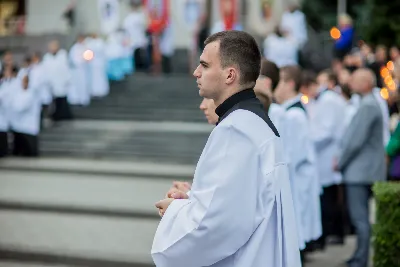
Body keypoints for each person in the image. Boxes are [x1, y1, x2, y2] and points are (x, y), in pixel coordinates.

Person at [151, 30, 301, 267]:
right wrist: (192, 199)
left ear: (230, 74)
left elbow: (216, 225)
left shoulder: (237, 129)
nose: (195, 72)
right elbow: (239, 203)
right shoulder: (251, 121)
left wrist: (175, 211)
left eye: (204, 65)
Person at [335, 68, 386, 267]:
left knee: (360, 219)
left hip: (360, 171)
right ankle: (359, 256)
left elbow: (354, 140)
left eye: (356, 80)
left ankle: (361, 259)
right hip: (365, 169)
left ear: (366, 83)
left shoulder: (368, 106)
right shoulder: (370, 104)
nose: (351, 83)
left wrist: (340, 161)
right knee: (361, 219)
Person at [274, 66, 322, 256]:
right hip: (297, 175)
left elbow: (294, 152)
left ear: (290, 84)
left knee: (298, 221)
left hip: (298, 176)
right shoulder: (291, 111)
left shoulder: (294, 115)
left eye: (280, 83)